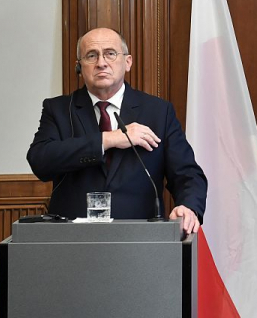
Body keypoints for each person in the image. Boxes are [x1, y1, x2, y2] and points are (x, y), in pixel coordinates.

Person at [27, 28, 207, 234]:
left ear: (127, 62)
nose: (101, 63)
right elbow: (40, 161)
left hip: (140, 241)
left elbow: (187, 174)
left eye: (110, 54)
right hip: (72, 242)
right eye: (91, 55)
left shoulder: (158, 111)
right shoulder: (58, 109)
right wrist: (107, 140)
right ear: (79, 67)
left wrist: (189, 206)